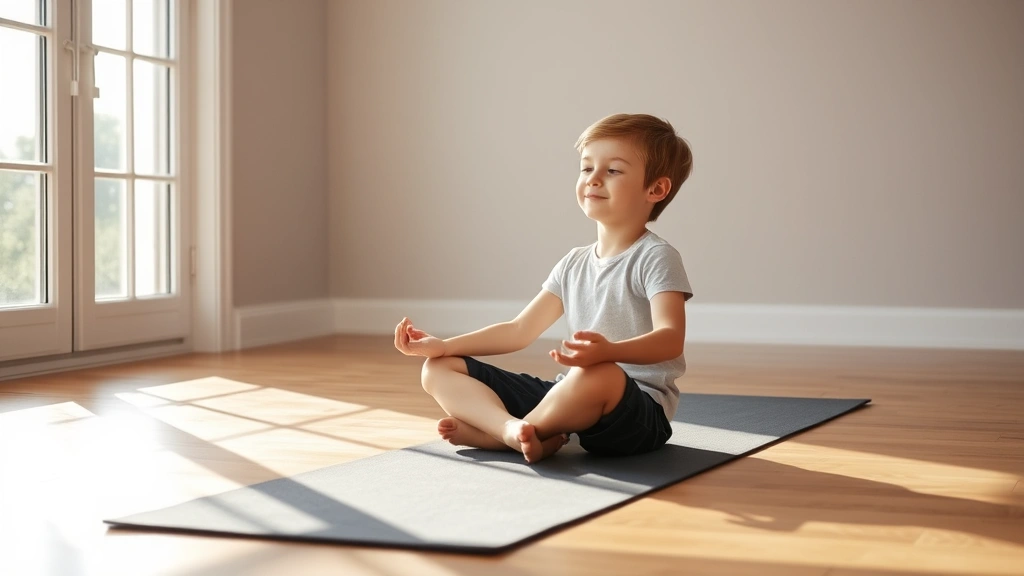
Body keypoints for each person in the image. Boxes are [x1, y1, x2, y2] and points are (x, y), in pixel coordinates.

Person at [394, 113, 694, 463]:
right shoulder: (573, 262)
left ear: (655, 189)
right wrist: (443, 346)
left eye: (612, 170)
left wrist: (607, 352)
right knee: (438, 368)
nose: (593, 180)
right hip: (569, 392)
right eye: (586, 168)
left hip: (638, 415)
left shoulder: (657, 257)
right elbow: (518, 331)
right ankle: (510, 430)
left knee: (598, 375)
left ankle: (513, 434)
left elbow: (670, 338)